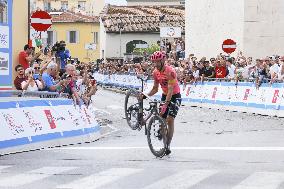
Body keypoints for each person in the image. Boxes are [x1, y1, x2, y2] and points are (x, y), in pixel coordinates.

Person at [146, 51, 182, 155]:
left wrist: (166, 104)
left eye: (157, 61)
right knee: (162, 118)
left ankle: (168, 145)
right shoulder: (155, 72)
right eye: (154, 62)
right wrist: (145, 95)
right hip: (164, 95)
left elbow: (171, 90)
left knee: (170, 120)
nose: (156, 64)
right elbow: (155, 89)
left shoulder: (170, 71)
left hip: (175, 96)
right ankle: (162, 129)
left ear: (163, 60)